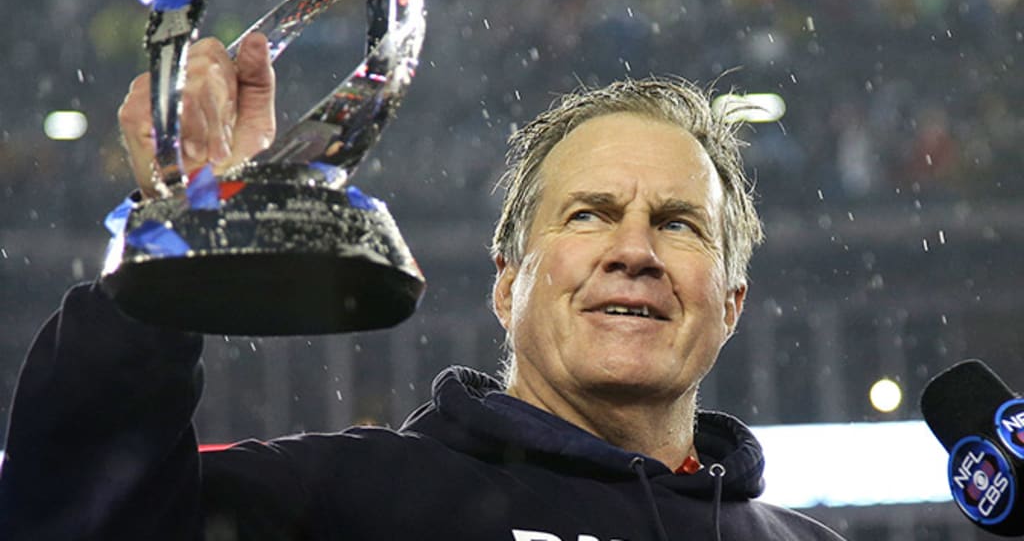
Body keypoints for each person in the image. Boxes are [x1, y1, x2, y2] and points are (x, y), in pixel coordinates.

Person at [0, 33, 846, 541]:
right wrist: (173, 250)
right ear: (507, 282)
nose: (634, 251)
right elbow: (74, 518)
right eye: (588, 215)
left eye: (677, 223)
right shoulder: (351, 507)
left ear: (730, 302)